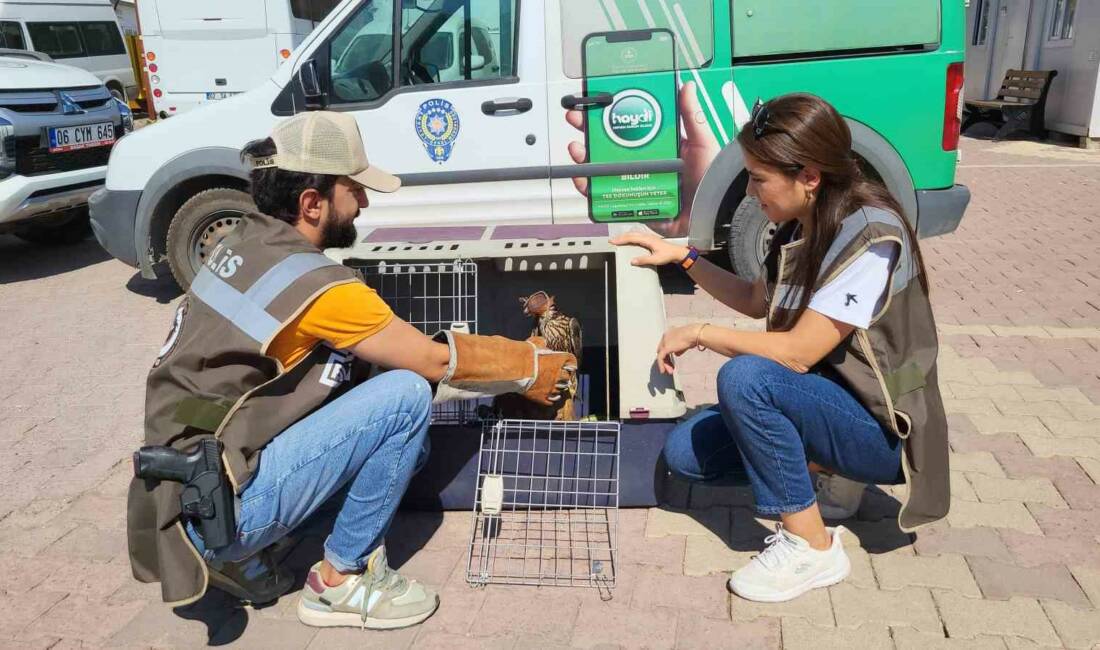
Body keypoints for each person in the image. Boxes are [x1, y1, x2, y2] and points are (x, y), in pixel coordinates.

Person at [126, 111, 577, 630]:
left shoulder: (243, 242)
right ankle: (340, 581)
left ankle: (237, 555)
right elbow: (431, 362)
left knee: (403, 432)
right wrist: (528, 366)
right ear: (312, 203)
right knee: (405, 397)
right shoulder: (318, 283)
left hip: (182, 490)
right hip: (222, 507)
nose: (362, 201)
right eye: (354, 189)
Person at [610, 93, 949, 603]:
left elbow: (795, 354)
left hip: (887, 430)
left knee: (747, 378)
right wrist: (682, 257)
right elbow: (753, 300)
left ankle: (812, 546)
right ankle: (828, 471)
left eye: (758, 177)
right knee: (686, 455)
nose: (749, 190)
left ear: (809, 176)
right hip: (830, 402)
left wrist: (700, 333)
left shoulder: (873, 236)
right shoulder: (800, 224)